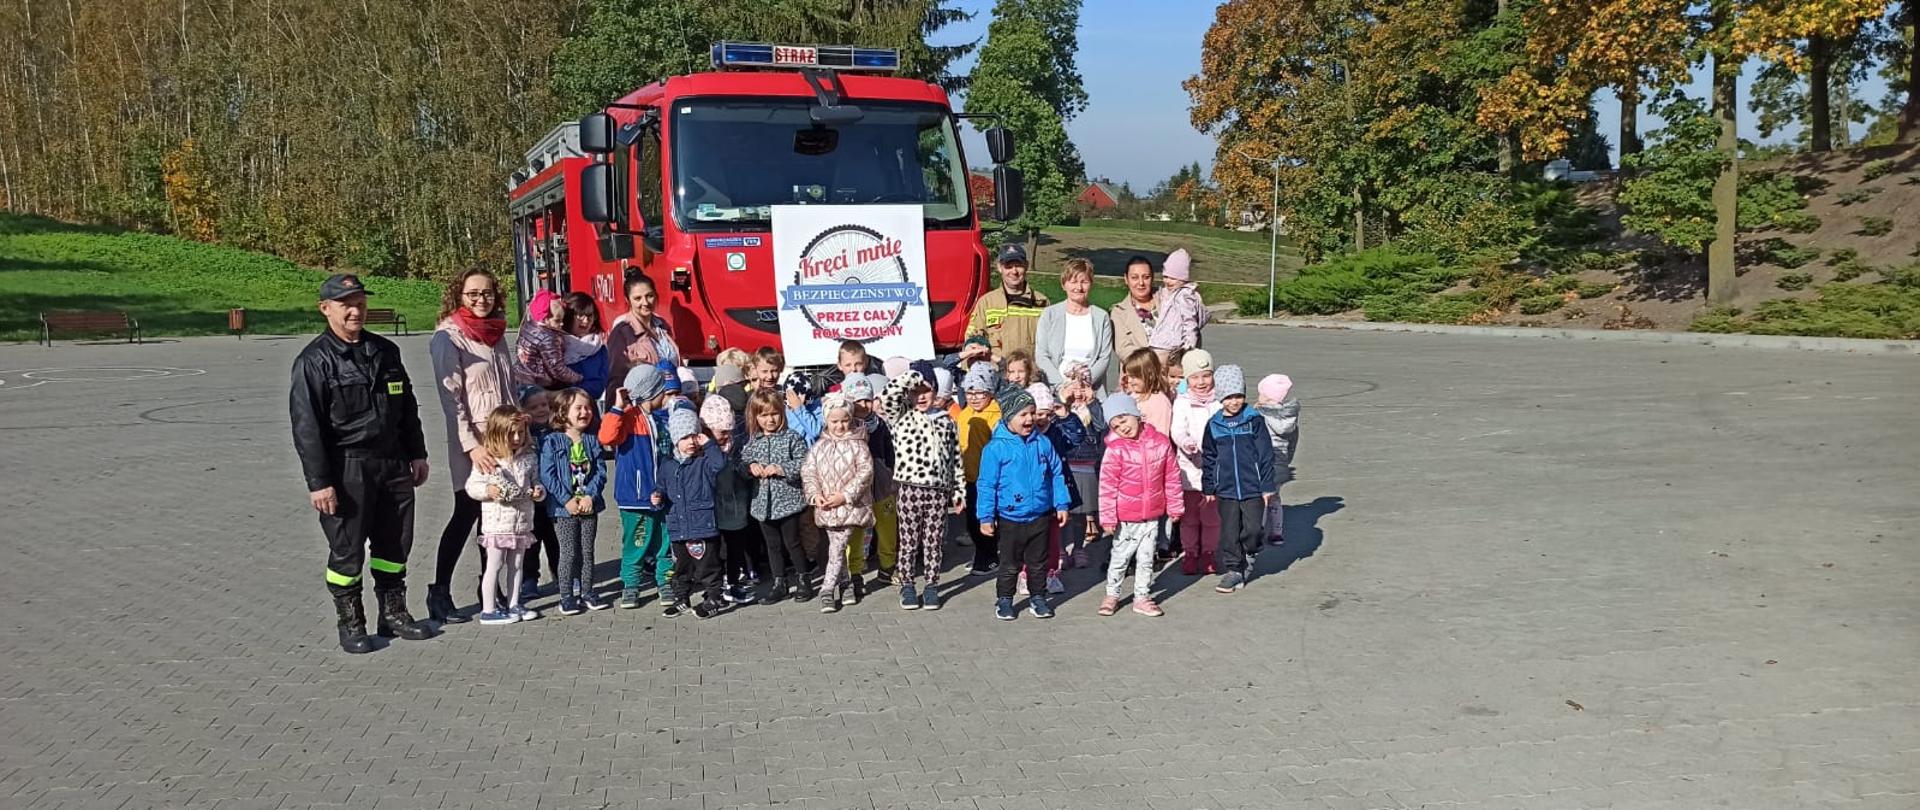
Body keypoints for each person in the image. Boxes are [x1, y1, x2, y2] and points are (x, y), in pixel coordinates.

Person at [290, 272, 435, 653]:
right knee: (347, 550)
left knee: (395, 543)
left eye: (360, 302)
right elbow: (307, 429)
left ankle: (394, 614)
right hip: (346, 467)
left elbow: (406, 408)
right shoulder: (314, 362)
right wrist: (319, 482)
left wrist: (417, 453)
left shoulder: (385, 352)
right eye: (346, 304)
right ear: (326, 309)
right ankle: (351, 622)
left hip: (392, 463)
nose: (356, 310)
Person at [425, 267, 514, 625]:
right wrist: (471, 446)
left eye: (487, 293)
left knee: (493, 516)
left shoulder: (497, 334)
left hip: (506, 437)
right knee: (467, 511)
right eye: (473, 293)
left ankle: (488, 588)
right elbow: (452, 400)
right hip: (474, 440)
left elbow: (509, 387)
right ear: (458, 296)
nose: (481, 299)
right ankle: (439, 590)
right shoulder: (449, 338)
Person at [976, 385, 1072, 621]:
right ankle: (1005, 599)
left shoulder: (1042, 443)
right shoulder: (996, 448)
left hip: (1040, 513)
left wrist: (1061, 504)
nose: (1030, 419)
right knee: (1010, 564)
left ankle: (1038, 598)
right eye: (1023, 414)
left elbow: (1057, 473)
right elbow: (986, 484)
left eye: (1032, 412)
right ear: (1009, 417)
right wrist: (985, 517)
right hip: (1010, 517)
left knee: (1038, 562)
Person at [878, 369, 967, 610]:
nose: (921, 396)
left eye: (926, 390)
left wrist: (958, 491)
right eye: (916, 391)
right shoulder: (902, 415)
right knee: (907, 540)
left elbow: (955, 459)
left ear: (936, 391)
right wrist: (912, 378)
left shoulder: (946, 420)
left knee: (933, 541)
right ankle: (907, 584)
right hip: (908, 488)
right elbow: (888, 395)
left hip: (937, 490)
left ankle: (931, 585)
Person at [1096, 392, 1179, 617]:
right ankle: (1112, 593)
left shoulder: (1160, 443)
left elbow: (1171, 476)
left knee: (1145, 560)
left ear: (1136, 414)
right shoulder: (1115, 449)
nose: (1121, 427)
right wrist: (1107, 517)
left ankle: (1141, 597)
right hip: (1125, 517)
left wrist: (1175, 506)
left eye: (1123, 420)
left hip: (1152, 515)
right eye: (1115, 425)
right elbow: (1107, 486)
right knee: (1120, 557)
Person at [598, 364, 674, 609]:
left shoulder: (662, 419)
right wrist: (618, 407)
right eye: (663, 391)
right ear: (652, 392)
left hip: (663, 495)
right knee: (636, 544)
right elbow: (607, 438)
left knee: (665, 543)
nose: (667, 396)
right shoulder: (627, 418)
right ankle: (630, 585)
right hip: (635, 496)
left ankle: (666, 582)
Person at [464, 405, 545, 625]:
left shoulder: (528, 458)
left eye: (521, 432)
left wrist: (538, 492)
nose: (517, 438)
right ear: (497, 434)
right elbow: (472, 486)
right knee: (494, 565)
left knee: (517, 565)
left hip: (521, 524)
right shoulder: (489, 460)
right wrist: (488, 491)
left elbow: (536, 482)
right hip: (497, 525)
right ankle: (488, 609)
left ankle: (514, 603)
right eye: (511, 433)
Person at [1200, 365, 1275, 593]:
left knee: (1252, 530)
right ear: (1220, 397)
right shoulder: (1214, 425)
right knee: (1229, 532)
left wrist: (1267, 484)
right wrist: (1209, 486)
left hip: (1252, 487)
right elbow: (1210, 457)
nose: (1234, 402)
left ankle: (1251, 550)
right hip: (1227, 489)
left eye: (1239, 396)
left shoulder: (1254, 420)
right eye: (1229, 397)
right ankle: (1234, 570)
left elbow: (1265, 454)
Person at [802, 394, 876, 613]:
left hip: (850, 506)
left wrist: (845, 495)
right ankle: (846, 584)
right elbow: (809, 471)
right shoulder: (819, 446)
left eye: (844, 420)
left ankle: (826, 589)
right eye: (834, 421)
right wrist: (815, 495)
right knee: (838, 546)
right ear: (827, 421)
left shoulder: (858, 445)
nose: (840, 425)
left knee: (836, 548)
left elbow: (865, 472)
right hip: (827, 507)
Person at [540, 388, 608, 615]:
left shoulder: (592, 440)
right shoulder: (552, 441)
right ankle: (566, 596)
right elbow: (548, 475)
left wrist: (591, 495)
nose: (585, 412)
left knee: (587, 552)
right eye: (578, 407)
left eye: (588, 407)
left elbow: (600, 471)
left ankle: (587, 591)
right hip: (563, 510)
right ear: (562, 412)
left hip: (589, 506)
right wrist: (566, 499)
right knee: (568, 552)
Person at [654, 409, 728, 618]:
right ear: (675, 439)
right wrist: (657, 498)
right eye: (685, 437)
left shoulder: (703, 462)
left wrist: (710, 444)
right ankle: (681, 598)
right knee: (681, 566)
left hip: (702, 526)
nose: (691, 442)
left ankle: (714, 597)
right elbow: (661, 487)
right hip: (678, 526)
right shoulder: (668, 464)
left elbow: (719, 464)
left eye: (694, 436)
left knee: (708, 566)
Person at [742, 390, 813, 603]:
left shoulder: (792, 437)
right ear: (755, 417)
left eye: (774, 414)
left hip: (788, 501)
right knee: (772, 545)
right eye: (763, 415)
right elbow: (742, 461)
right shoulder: (755, 440)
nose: (769, 419)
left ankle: (803, 579)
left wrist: (781, 468)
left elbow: (803, 461)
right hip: (763, 503)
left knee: (792, 542)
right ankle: (779, 582)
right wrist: (750, 467)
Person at [702, 394, 763, 605]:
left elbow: (742, 467)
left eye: (729, 431)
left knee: (736, 549)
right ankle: (717, 587)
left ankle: (734, 584)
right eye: (721, 432)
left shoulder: (735, 445)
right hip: (714, 510)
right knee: (718, 551)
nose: (726, 435)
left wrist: (748, 469)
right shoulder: (704, 451)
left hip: (735, 507)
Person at [1170, 348, 1222, 576]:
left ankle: (1209, 552)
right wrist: (1185, 442)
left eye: (1206, 375)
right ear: (1187, 379)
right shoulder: (1182, 401)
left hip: (1215, 469)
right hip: (1189, 467)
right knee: (1190, 517)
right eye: (1195, 377)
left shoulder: (1220, 400)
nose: (1201, 382)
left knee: (1211, 517)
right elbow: (1177, 428)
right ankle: (1190, 552)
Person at [842, 376, 898, 589]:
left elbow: (889, 452)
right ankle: (854, 571)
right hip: (856, 488)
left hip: (882, 485)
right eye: (858, 401)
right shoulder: (844, 426)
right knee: (855, 531)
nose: (864, 405)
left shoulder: (880, 424)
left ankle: (888, 567)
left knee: (887, 528)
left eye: (867, 400)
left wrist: (891, 474)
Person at [1035, 258, 1115, 395]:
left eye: (1084, 282)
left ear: (1091, 284)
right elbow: (1041, 355)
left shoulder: (1101, 317)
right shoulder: (1049, 314)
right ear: (1063, 284)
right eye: (1073, 282)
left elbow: (1104, 357)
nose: (1079, 287)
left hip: (1090, 390)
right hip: (1057, 390)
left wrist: (1084, 383)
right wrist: (1062, 386)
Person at [953, 362, 1002, 574]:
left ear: (990, 392)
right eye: (969, 391)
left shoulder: (996, 415)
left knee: (986, 520)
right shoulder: (964, 414)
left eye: (980, 392)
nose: (973, 397)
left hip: (989, 480)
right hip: (969, 477)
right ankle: (981, 553)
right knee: (971, 521)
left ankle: (989, 557)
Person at [605, 273, 680, 409]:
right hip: (642, 410)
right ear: (628, 301)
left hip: (670, 404)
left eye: (649, 296)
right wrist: (614, 414)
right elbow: (615, 379)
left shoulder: (662, 325)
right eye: (638, 298)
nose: (645, 303)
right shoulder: (622, 332)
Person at [1056, 367, 1106, 570]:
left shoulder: (1093, 408)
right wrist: (1063, 403)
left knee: (1080, 514)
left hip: (1086, 468)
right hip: (1065, 467)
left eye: (1083, 387)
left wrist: (1093, 402)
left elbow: (1101, 425)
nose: (1078, 392)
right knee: (1062, 514)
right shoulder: (1059, 408)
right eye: (1073, 388)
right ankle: (1060, 549)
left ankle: (1078, 548)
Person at [966, 243, 1050, 361]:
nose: (1014, 271)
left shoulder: (1042, 302)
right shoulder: (986, 302)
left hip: (1030, 375)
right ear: (1000, 267)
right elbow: (972, 338)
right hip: (996, 373)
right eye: (1008, 266)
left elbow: (1051, 344)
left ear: (1026, 266)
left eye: (1018, 266)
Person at [516, 388, 561, 603]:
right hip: (531, 499)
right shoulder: (523, 436)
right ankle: (529, 579)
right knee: (530, 542)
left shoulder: (557, 430)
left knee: (556, 540)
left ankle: (562, 574)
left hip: (553, 498)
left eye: (544, 404)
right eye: (534, 407)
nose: (541, 410)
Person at [1255, 374, 1301, 546]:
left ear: (1266, 395)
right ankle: (1277, 532)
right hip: (1281, 462)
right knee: (1275, 497)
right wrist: (1287, 460)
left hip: (1264, 462)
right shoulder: (1289, 417)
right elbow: (1293, 442)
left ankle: (1258, 531)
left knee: (1262, 499)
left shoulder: (1260, 415)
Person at [514, 290, 582, 390]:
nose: (562, 324)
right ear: (544, 318)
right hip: (539, 383)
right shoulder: (548, 338)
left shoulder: (530, 324)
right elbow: (557, 369)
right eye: (557, 320)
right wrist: (578, 377)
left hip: (521, 376)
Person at [1149, 248, 1207, 358]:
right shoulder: (1169, 292)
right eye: (1165, 277)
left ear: (1183, 279)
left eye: (1174, 278)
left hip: (1172, 345)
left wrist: (1189, 347)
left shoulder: (1184, 296)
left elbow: (1190, 321)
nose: (1168, 281)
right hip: (1161, 342)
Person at [1110, 255, 1160, 363]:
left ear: (1153, 278)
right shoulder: (1119, 312)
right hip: (1137, 374)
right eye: (1134, 277)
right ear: (1126, 279)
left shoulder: (1167, 302)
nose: (1141, 283)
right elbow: (1123, 350)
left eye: (1146, 277)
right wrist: (1153, 361)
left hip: (1171, 374)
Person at [562, 292, 610, 403]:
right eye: (580, 315)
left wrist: (573, 394)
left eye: (590, 315)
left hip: (587, 408)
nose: (586, 320)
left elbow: (599, 384)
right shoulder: (555, 345)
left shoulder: (599, 348)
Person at [1119, 349, 1174, 437]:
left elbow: (1161, 435)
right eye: (1128, 377)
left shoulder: (1160, 402)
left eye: (1134, 377)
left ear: (1150, 375)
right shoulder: (1132, 395)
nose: (1130, 381)